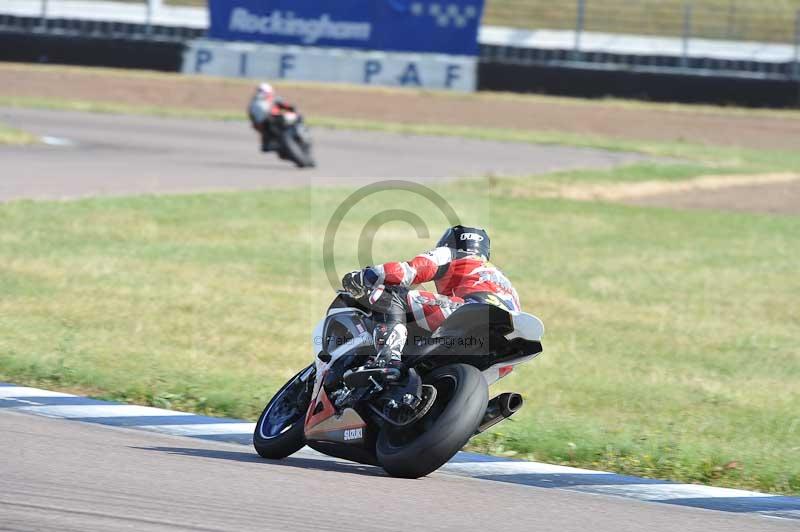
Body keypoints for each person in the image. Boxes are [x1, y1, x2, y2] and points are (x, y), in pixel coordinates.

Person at [341, 225, 521, 371]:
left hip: (468, 311)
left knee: (389, 292)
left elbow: (405, 272)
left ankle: (388, 358)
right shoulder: (503, 279)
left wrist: (364, 276)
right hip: (507, 338)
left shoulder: (452, 254)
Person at [247, 82, 295, 153]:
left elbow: (284, 105)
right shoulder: (254, 103)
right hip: (267, 122)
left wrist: (290, 108)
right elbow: (253, 118)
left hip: (276, 119)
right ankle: (273, 142)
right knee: (266, 138)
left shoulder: (272, 99)